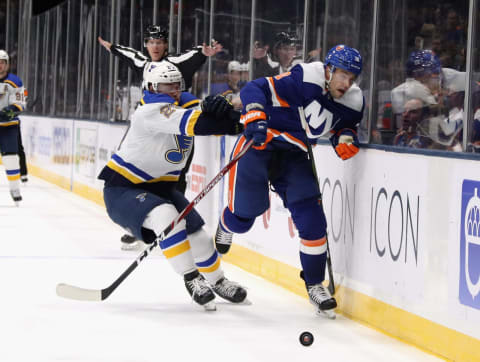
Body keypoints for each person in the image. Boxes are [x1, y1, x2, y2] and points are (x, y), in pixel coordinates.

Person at [213, 45, 364, 318]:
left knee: (312, 217)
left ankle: (315, 284)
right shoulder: (304, 78)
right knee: (244, 216)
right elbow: (253, 89)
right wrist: (256, 114)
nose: (347, 83)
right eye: (343, 75)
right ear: (328, 70)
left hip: (294, 154)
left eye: (353, 78)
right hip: (260, 144)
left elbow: (343, 126)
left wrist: (345, 137)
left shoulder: (353, 100)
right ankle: (226, 223)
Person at [98, 62, 247, 310]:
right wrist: (237, 122)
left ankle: (218, 281)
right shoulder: (151, 110)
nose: (174, 90)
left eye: (177, 84)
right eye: (167, 85)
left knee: (199, 237)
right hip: (123, 189)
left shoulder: (182, 102)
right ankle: (192, 279)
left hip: (162, 188)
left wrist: (242, 114)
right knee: (167, 216)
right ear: (152, 87)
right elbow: (202, 124)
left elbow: (211, 112)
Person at [98, 25, 223, 249]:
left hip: (178, 125)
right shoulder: (142, 62)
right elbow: (128, 54)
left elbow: (194, 54)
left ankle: (174, 225)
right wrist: (112, 48)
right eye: (151, 42)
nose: (155, 46)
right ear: (146, 44)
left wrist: (205, 53)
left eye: (159, 42)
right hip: (149, 125)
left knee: (175, 174)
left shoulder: (177, 61)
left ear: (166, 45)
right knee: (139, 169)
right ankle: (148, 221)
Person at [0, 50, 27, 205]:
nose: (0, 66)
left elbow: (21, 102)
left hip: (9, 127)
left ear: (7, 64)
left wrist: (10, 110)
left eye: (2, 62)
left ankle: (14, 188)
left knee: (10, 159)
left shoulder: (16, 81)